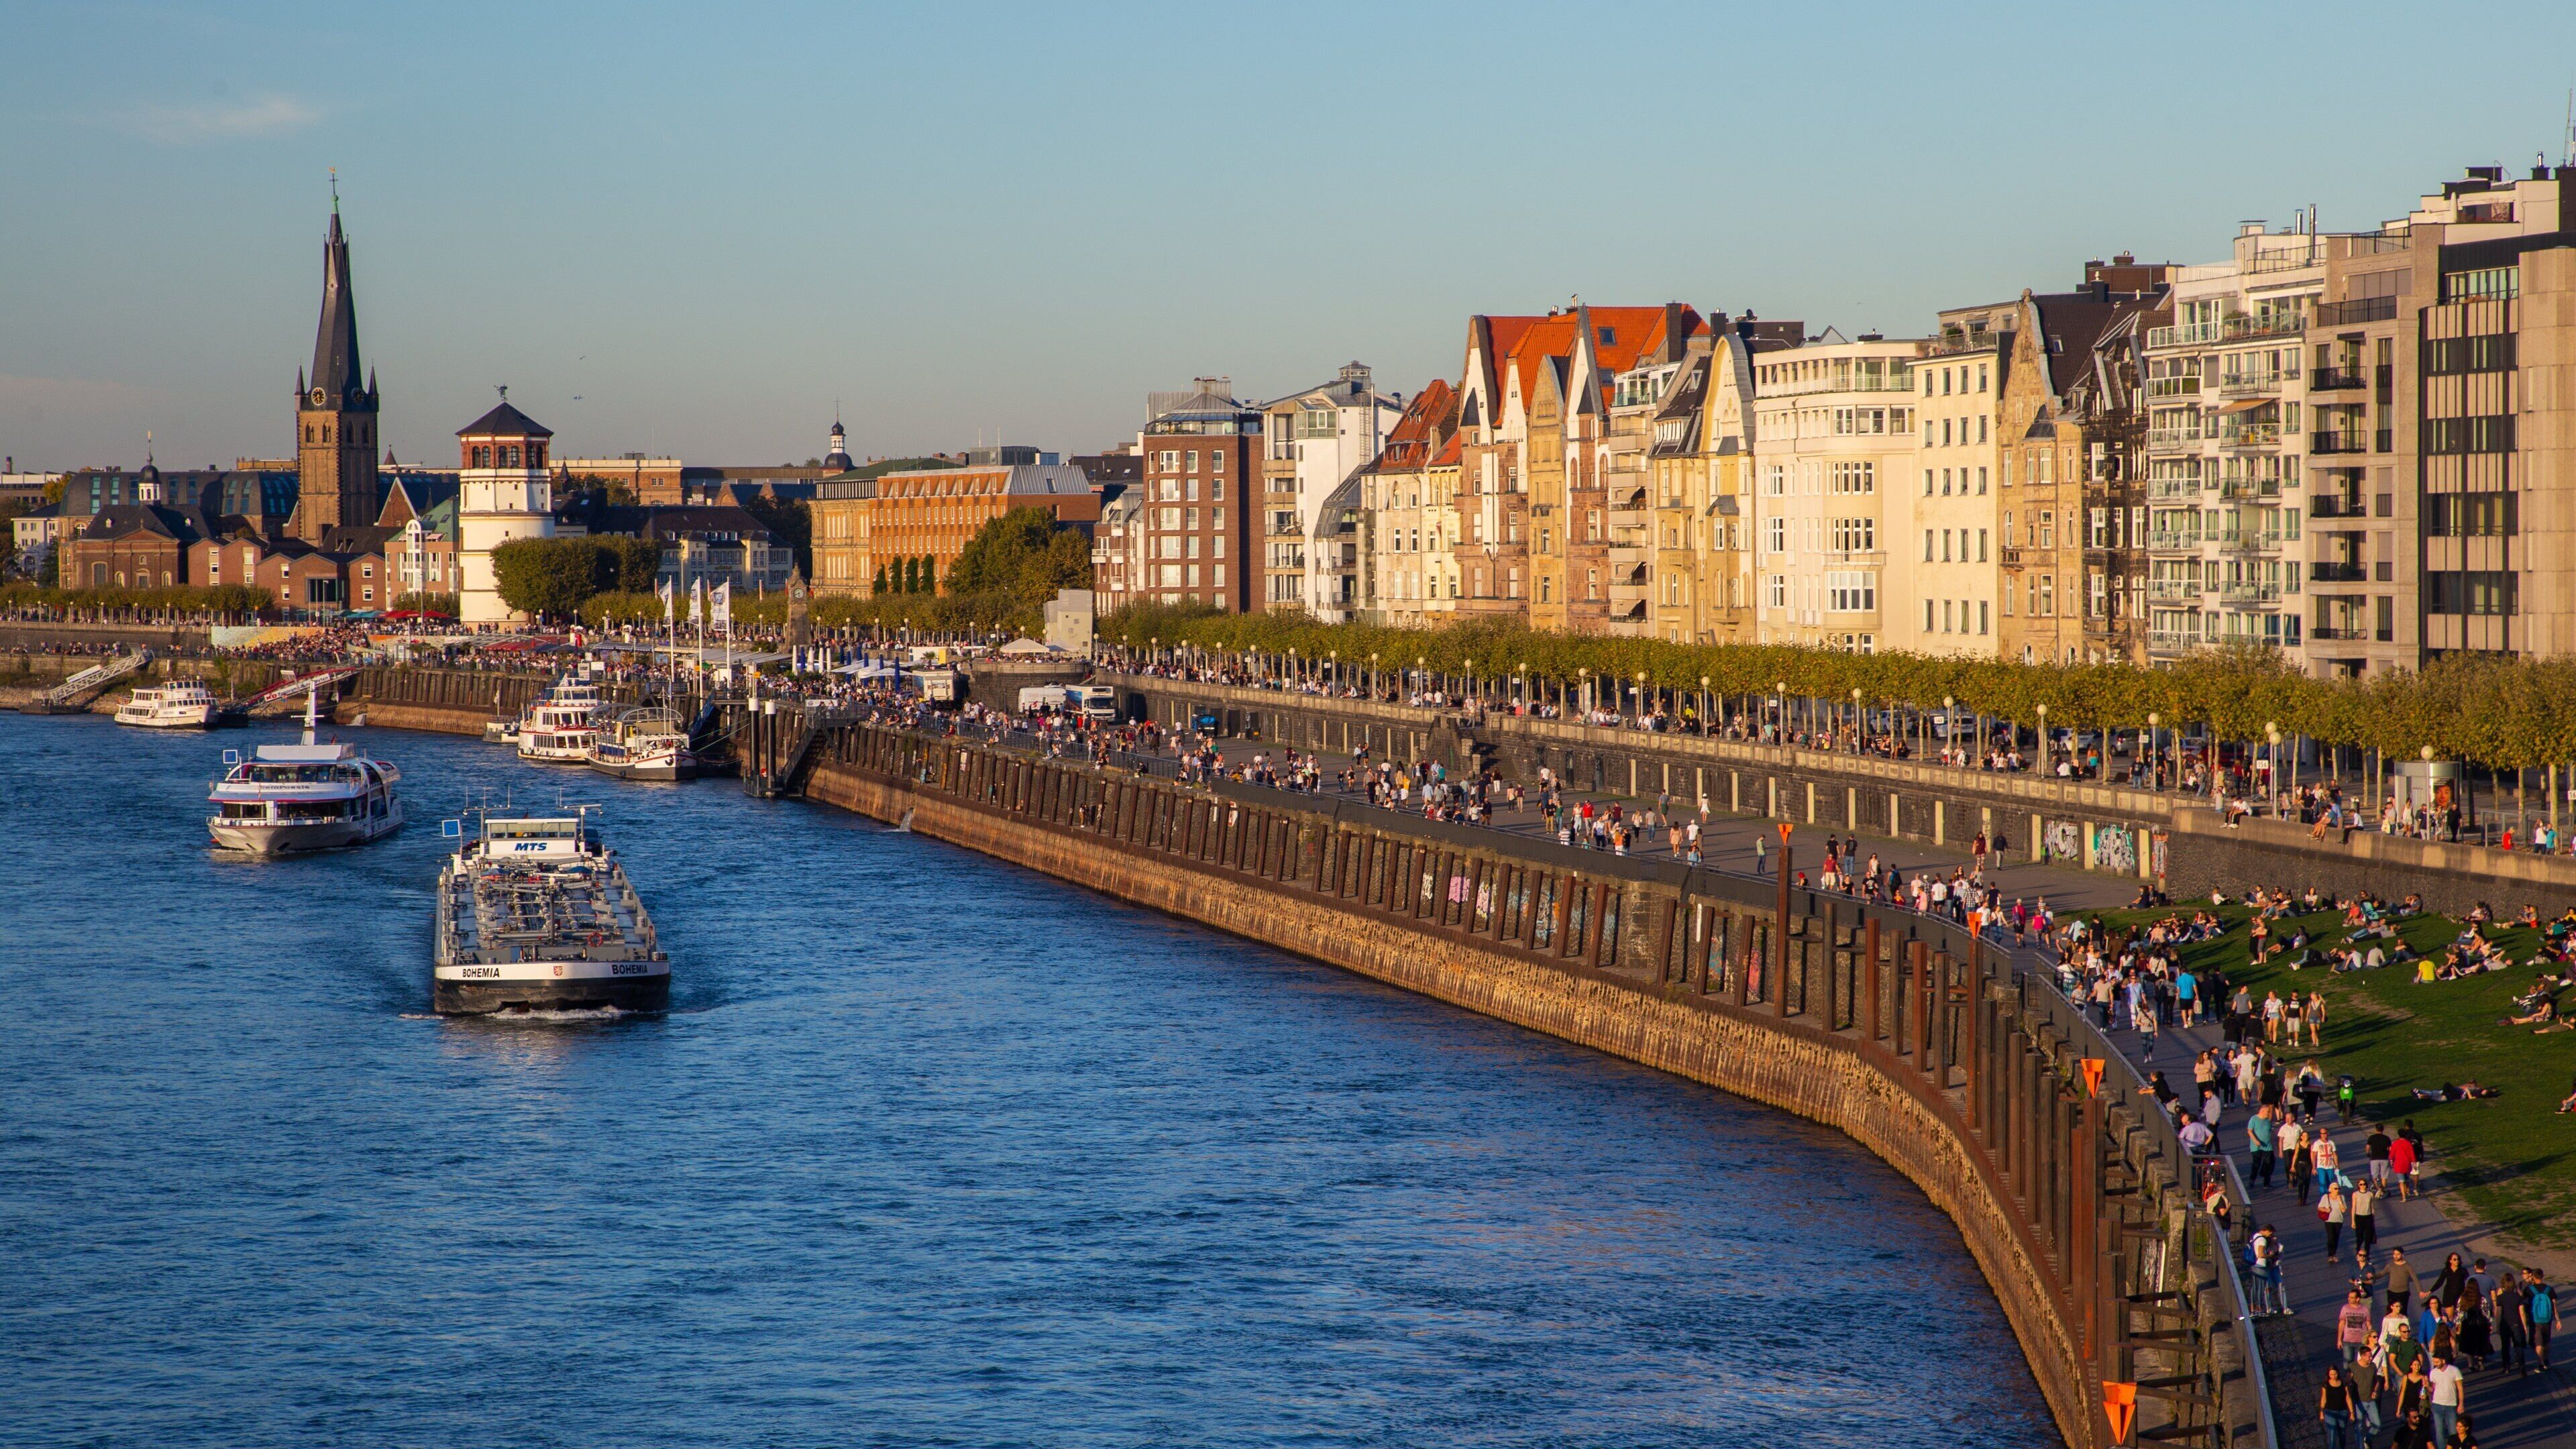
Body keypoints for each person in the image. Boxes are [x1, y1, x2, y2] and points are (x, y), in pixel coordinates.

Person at [2425, 1352, 2464, 1446]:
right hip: (2437, 1405)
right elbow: (2433, 1390)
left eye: (2437, 1361)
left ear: (2443, 1361)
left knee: (2453, 1432)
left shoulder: (2455, 1371)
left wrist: (2461, 1404)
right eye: (2434, 1361)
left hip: (2451, 1405)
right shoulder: (2433, 1373)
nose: (2435, 1363)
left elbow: (2460, 1388)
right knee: (2439, 1433)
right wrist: (2427, 1386)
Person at [2319, 1363, 2361, 1449]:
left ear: (2338, 1373)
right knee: (2332, 1434)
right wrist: (2321, 1412)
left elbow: (2348, 1398)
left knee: (2342, 1435)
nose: (2333, 1376)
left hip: (2343, 1412)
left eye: (2335, 1374)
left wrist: (2352, 1412)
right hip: (2330, 1412)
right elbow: (2324, 1399)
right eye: (2331, 1375)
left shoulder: (2343, 1384)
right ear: (2328, 1375)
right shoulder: (2326, 1385)